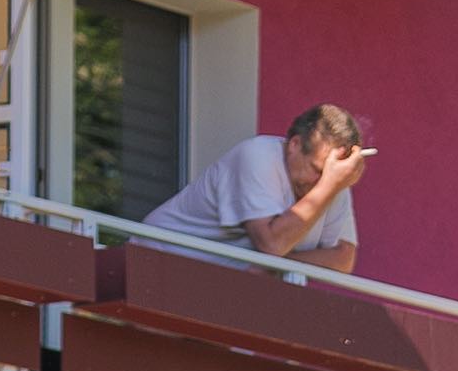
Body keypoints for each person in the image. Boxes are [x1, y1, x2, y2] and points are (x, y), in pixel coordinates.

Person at [155, 100, 372, 258]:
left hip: (209, 283)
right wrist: (329, 186)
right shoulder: (258, 155)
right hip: (155, 260)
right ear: (294, 145)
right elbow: (271, 244)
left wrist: (273, 266)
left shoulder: (334, 179)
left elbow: (343, 258)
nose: (320, 181)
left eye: (329, 176)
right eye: (316, 169)